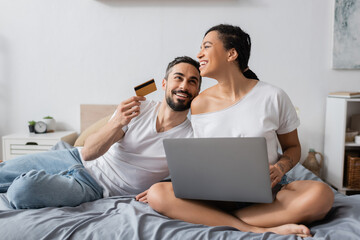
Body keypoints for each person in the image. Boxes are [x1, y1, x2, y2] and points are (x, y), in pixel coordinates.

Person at [141, 24, 334, 237]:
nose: (199, 54)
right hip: (215, 197)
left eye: (206, 46)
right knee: (158, 193)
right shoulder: (199, 103)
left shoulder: (273, 96)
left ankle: (211, 219)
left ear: (231, 54)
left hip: (268, 195)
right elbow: (196, 154)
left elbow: (293, 147)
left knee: (322, 194)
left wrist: (280, 168)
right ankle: (254, 227)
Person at [0, 56, 201, 209]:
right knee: (3, 171)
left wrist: (163, 189)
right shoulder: (138, 108)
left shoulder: (191, 136)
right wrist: (117, 122)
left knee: (21, 190)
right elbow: (88, 152)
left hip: (94, 186)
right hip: (74, 156)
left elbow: (189, 179)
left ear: (198, 91)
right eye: (179, 78)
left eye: (192, 81)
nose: (184, 86)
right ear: (165, 84)